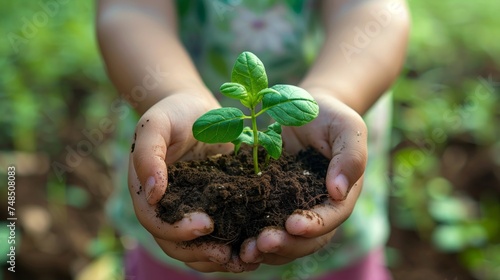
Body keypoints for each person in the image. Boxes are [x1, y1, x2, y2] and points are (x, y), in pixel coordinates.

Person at [96, 0, 410, 279]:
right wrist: (170, 92)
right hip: (177, 145)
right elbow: (131, 8)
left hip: (325, 145)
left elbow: (377, 11)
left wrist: (336, 92)